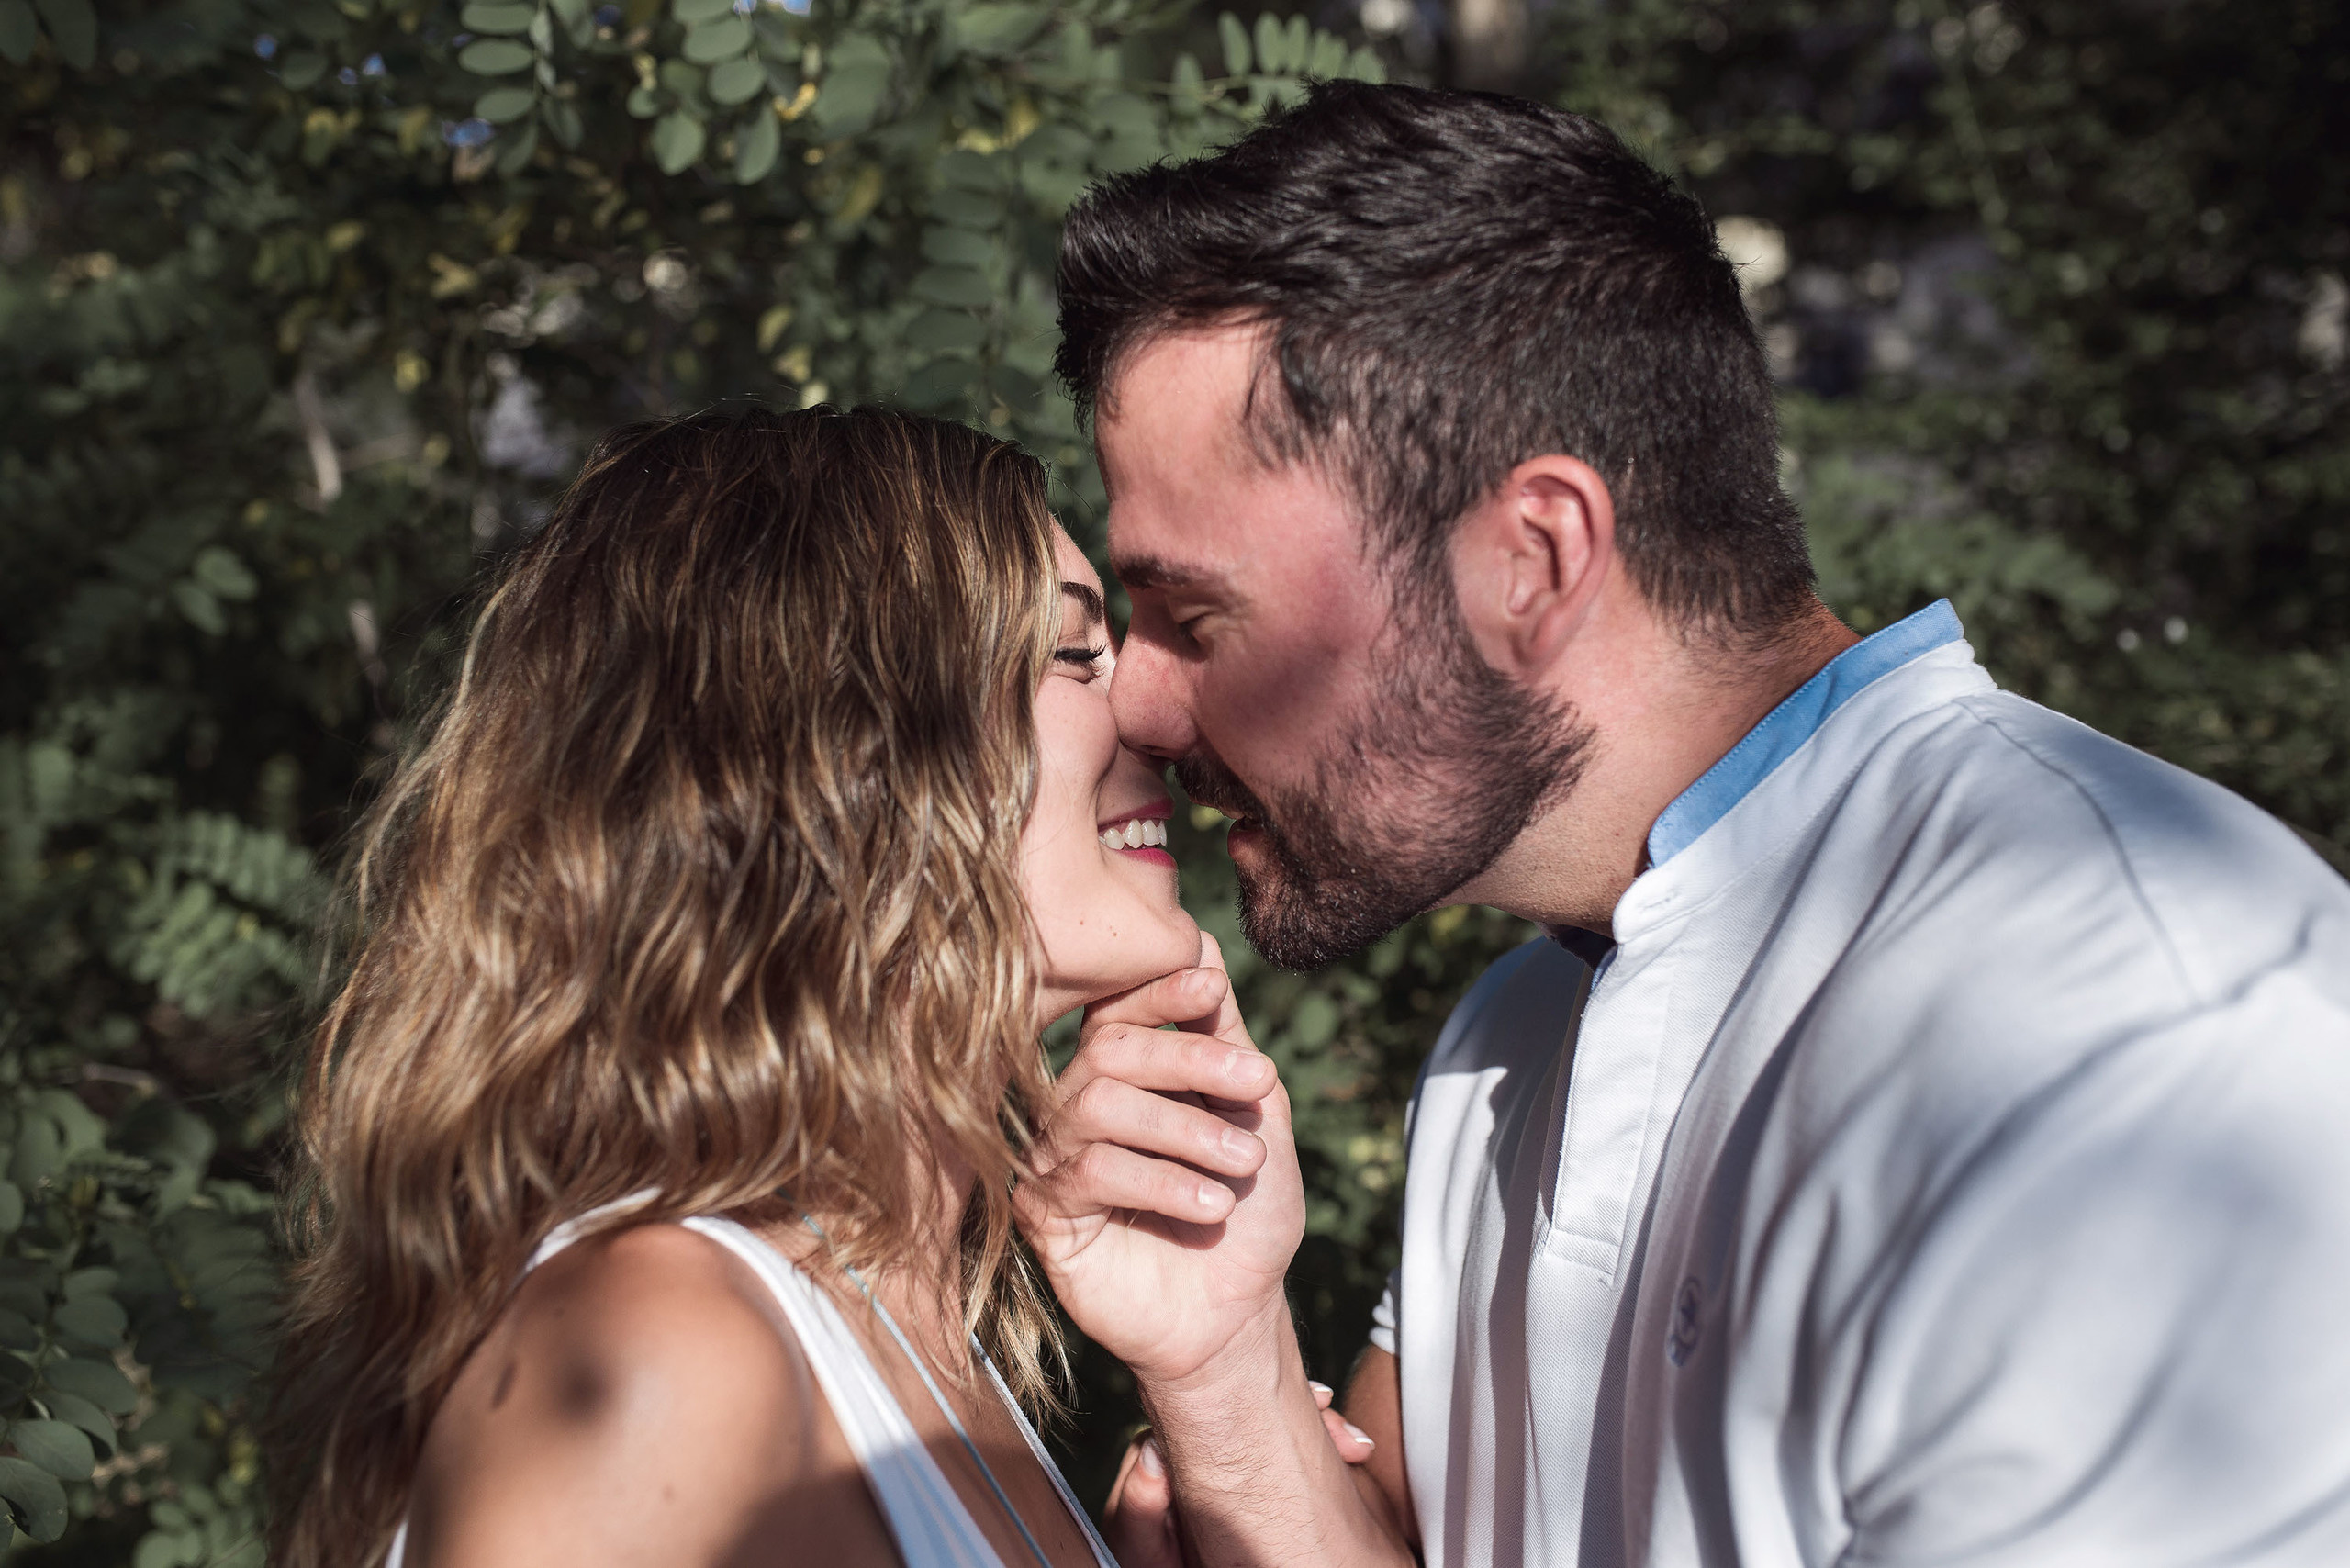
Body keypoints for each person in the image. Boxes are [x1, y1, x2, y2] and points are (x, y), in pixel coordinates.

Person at [1019, 81, 2350, 1567]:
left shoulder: (2125, 1034)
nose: (1134, 703)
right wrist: (1224, 1374)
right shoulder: (1513, 1026)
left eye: (1195, 611)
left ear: (1531, 558)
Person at [265, 405, 1277, 1568]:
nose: (1154, 710)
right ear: (847, 756)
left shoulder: (932, 1357)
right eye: (1068, 653)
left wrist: (1223, 1371)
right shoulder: (658, 1347)